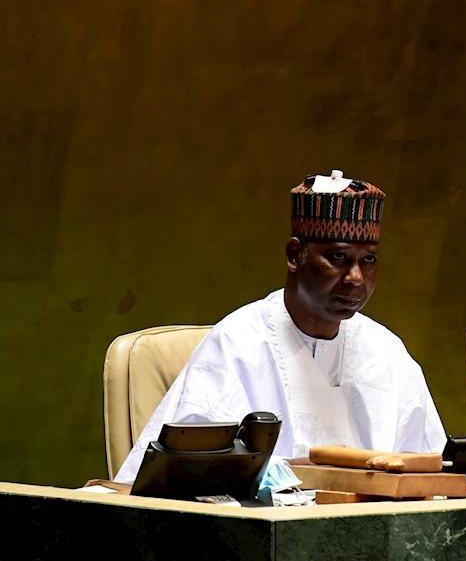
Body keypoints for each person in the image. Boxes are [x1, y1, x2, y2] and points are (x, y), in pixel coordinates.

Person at [114, 170, 446, 484]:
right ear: (294, 255)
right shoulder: (239, 342)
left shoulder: (386, 351)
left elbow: (434, 470)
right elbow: (188, 473)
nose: (356, 278)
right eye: (339, 258)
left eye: (368, 260)